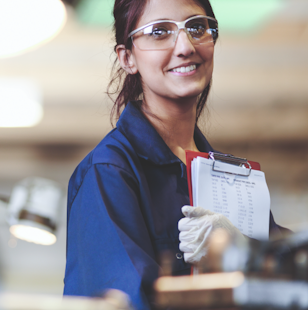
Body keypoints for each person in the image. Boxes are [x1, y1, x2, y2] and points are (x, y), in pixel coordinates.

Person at [64, 0, 287, 309]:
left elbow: (300, 285)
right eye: (159, 32)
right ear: (127, 57)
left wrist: (245, 252)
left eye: (197, 27)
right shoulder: (109, 171)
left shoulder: (235, 178)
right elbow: (128, 301)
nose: (185, 46)